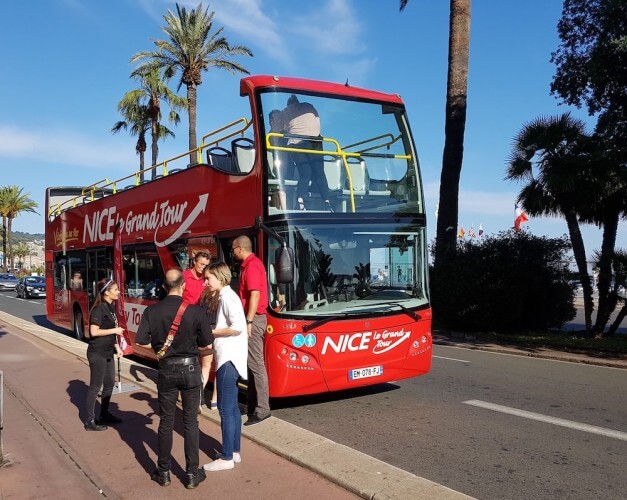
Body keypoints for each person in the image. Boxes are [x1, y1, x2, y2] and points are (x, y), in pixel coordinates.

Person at [136, 269, 214, 489]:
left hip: (166, 371)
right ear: (184, 286)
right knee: (190, 423)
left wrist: (161, 352)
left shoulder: (152, 311)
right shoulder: (196, 311)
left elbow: (140, 341)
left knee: (166, 422)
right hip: (190, 370)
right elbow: (207, 345)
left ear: (163, 287)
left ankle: (163, 472)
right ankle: (191, 475)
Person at [201, 262, 248, 471]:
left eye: (208, 278)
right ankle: (234, 452)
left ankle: (227, 457)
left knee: (224, 409)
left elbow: (237, 327)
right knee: (232, 408)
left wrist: (212, 332)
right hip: (232, 358)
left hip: (228, 358)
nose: (205, 282)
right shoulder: (227, 296)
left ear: (219, 278)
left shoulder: (227, 297)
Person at [232, 235, 271, 425]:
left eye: (233, 249)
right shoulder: (250, 265)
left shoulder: (252, 266)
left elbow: (255, 294)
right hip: (252, 319)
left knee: (256, 365)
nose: (233, 253)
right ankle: (253, 404)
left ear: (240, 248)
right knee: (251, 364)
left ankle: (262, 409)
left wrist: (248, 321)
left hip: (253, 320)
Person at [84, 278, 125, 431]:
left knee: (109, 384)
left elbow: (111, 332)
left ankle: (104, 414)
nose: (118, 292)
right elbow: (94, 332)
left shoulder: (110, 307)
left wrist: (117, 347)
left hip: (108, 352)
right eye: (115, 290)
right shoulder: (99, 309)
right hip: (97, 353)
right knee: (95, 386)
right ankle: (89, 421)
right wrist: (115, 330)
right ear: (106, 292)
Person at [282, 95, 331, 211]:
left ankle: (300, 201)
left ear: (289, 104)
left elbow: (284, 129)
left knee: (304, 174)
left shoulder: (286, 111)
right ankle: (327, 203)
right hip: (314, 141)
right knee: (320, 173)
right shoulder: (310, 106)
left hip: (296, 143)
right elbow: (318, 126)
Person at [182, 251, 213, 408]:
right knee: (193, 362)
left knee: (206, 362)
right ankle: (192, 393)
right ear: (194, 262)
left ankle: (199, 394)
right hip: (188, 324)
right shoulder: (184, 277)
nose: (204, 268)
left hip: (204, 322)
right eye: (201, 264)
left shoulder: (208, 279)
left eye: (206, 265)